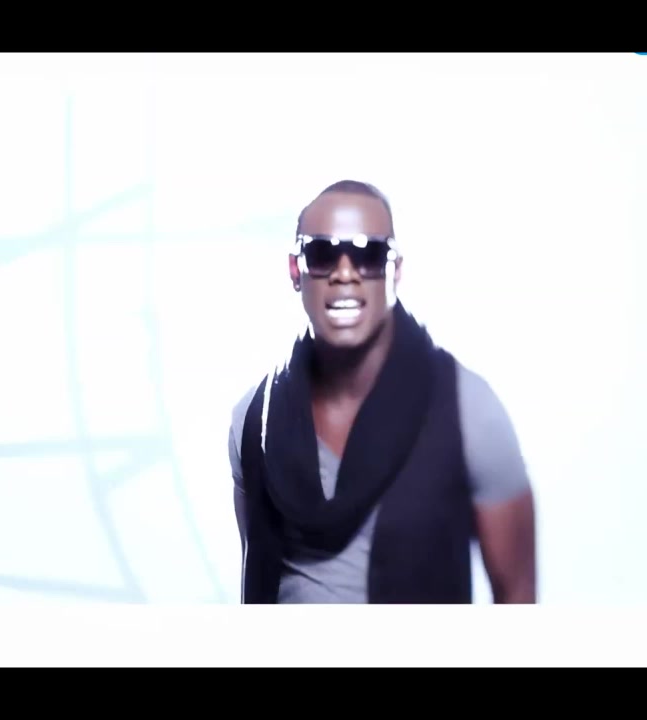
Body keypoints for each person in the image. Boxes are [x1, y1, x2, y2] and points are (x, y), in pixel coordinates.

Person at [228, 180, 536, 604]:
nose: (345, 273)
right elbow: (256, 579)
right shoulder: (253, 421)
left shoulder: (469, 411)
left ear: (396, 271)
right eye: (322, 253)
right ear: (296, 270)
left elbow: (517, 595)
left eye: (368, 255)